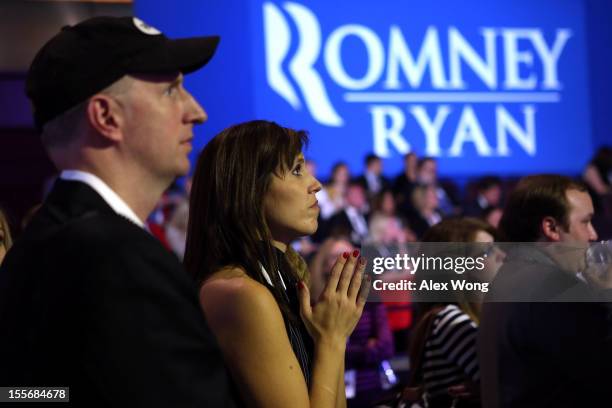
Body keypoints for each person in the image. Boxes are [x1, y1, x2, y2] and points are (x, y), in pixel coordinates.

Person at [0, 16, 237, 406]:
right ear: (107, 117)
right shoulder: (119, 259)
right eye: (172, 91)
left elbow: (26, 395)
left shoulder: (36, 245)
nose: (197, 111)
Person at [184, 120, 369, 407]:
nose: (315, 185)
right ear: (249, 189)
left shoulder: (285, 278)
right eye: (297, 170)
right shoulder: (241, 295)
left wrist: (333, 337)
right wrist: (332, 338)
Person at [479, 175, 612, 408]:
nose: (593, 235)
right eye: (585, 222)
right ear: (551, 227)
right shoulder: (554, 288)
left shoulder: (508, 276)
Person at [402, 218, 505, 408]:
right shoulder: (450, 320)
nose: (502, 255)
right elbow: (510, 384)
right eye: (488, 251)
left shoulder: (468, 315)